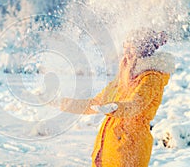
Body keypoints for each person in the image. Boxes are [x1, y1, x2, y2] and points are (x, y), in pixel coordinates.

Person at [60, 28, 175, 167]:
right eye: (125, 47)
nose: (125, 53)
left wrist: (114, 107)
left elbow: (134, 105)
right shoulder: (124, 78)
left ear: (143, 51)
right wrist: (63, 103)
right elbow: (96, 102)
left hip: (130, 149)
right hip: (109, 148)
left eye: (131, 49)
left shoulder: (151, 79)